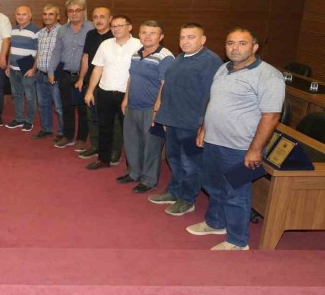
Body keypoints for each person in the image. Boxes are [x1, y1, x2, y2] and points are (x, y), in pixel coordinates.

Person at [187, 28, 284, 250]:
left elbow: (271, 116)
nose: (235, 48)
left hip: (241, 147)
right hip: (214, 141)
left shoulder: (269, 76)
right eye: (231, 43)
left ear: (254, 47)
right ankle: (215, 223)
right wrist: (204, 129)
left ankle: (237, 240)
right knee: (212, 186)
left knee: (236, 194)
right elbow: (214, 101)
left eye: (242, 43)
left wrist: (255, 150)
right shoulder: (223, 68)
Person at [150, 24, 223, 216]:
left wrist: (203, 125)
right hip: (173, 120)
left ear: (202, 40)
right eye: (182, 37)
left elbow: (211, 96)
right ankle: (174, 191)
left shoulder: (210, 61)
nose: (185, 41)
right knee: (174, 160)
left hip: (192, 124)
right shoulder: (180, 58)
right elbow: (170, 89)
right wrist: (164, 116)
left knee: (191, 164)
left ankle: (187, 199)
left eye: (191, 37)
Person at [117, 21, 174, 193]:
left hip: (151, 109)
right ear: (139, 34)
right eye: (144, 32)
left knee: (151, 146)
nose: (147, 36)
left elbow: (165, 84)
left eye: (152, 33)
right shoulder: (136, 53)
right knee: (132, 142)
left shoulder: (165, 57)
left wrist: (157, 109)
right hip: (133, 105)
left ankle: (149, 180)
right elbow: (131, 78)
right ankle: (134, 173)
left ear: (161, 37)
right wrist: (126, 99)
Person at [84, 15, 142, 170]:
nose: (116, 29)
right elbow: (97, 68)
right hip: (105, 91)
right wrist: (90, 91)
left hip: (127, 94)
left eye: (120, 25)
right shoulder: (105, 44)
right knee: (104, 127)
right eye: (113, 26)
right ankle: (103, 160)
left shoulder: (139, 45)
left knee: (129, 131)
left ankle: (132, 166)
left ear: (130, 27)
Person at [48, 0, 94, 148]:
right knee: (66, 108)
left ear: (83, 12)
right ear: (67, 13)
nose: (74, 14)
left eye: (77, 10)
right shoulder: (62, 30)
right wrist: (51, 70)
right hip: (65, 75)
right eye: (70, 11)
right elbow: (57, 51)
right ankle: (68, 136)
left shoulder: (92, 28)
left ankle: (81, 138)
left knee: (83, 110)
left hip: (83, 77)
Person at [78, 7, 118, 159]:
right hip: (92, 83)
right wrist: (81, 78)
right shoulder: (90, 34)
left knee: (112, 119)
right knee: (92, 117)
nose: (98, 20)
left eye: (102, 17)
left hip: (110, 84)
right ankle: (95, 146)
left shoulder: (116, 35)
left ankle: (114, 150)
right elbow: (86, 57)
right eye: (95, 17)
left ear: (110, 19)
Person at [5, 5, 39, 131]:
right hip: (13, 68)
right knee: (17, 95)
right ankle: (18, 119)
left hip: (27, 67)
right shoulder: (13, 30)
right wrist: (8, 65)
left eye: (24, 14)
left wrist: (33, 69)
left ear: (30, 16)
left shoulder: (35, 31)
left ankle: (29, 121)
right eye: (18, 14)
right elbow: (12, 49)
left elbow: (39, 52)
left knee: (30, 97)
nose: (21, 17)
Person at [34, 4, 64, 139]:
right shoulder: (41, 33)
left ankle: (62, 133)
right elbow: (39, 53)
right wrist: (34, 69)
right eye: (45, 14)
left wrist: (56, 73)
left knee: (59, 107)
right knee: (43, 104)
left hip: (55, 76)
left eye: (51, 14)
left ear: (58, 17)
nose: (47, 17)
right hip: (41, 74)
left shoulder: (63, 32)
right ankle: (46, 129)